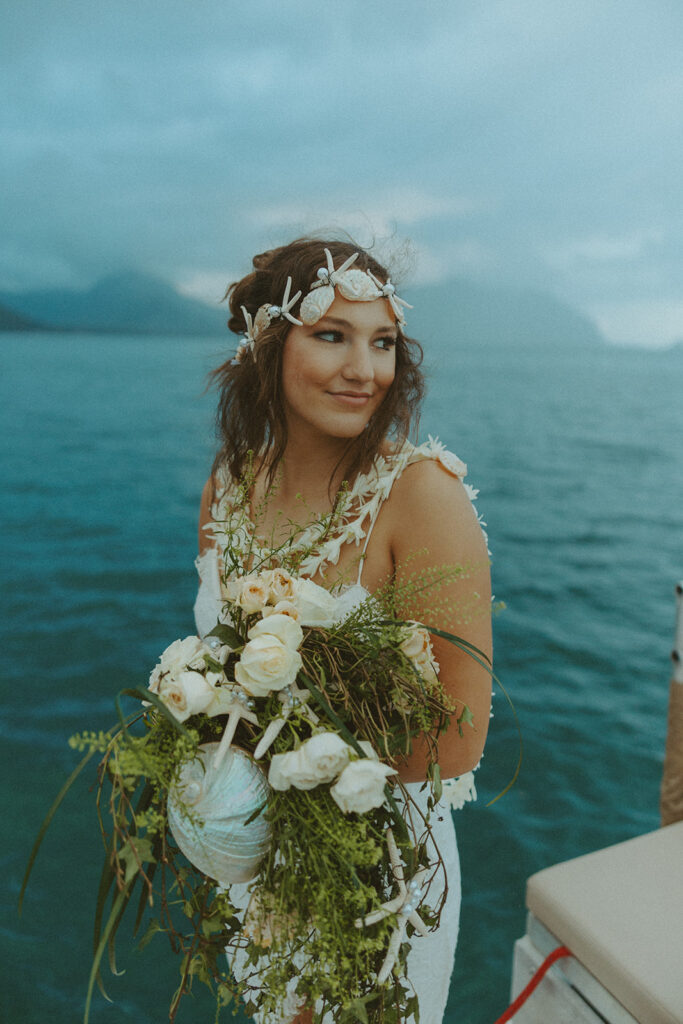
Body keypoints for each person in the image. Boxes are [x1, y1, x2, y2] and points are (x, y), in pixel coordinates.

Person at [193, 237, 492, 1024]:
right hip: (252, 850)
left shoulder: (421, 495)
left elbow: (459, 738)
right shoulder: (228, 487)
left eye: (383, 342)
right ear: (267, 346)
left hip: (379, 865)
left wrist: (294, 771)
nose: (365, 369)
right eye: (332, 335)